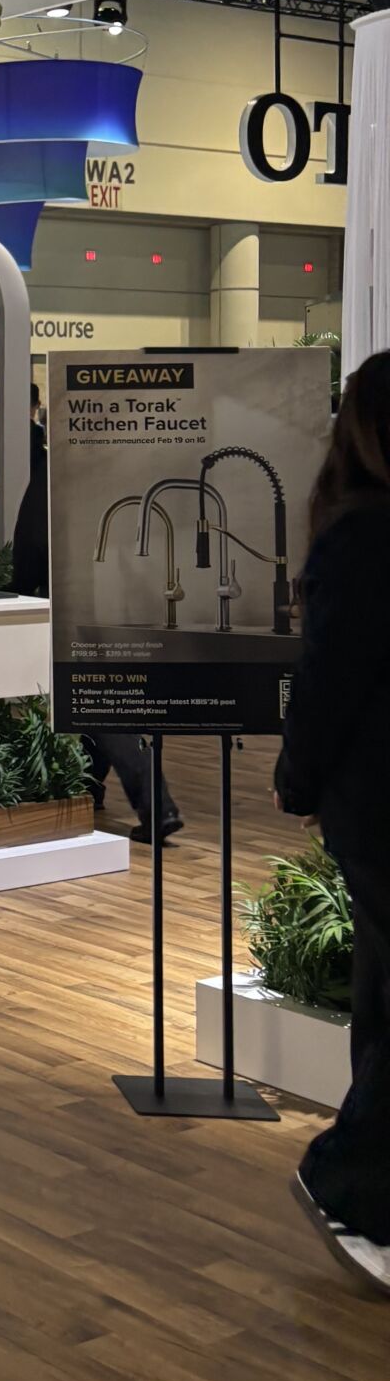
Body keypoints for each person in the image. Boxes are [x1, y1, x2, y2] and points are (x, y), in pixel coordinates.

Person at [276, 350, 390, 1296]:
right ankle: (350, 1179)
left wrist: (301, 779)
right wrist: (300, 777)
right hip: (380, 803)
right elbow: (330, 682)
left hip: (373, 801)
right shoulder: (364, 540)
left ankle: (361, 1186)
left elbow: (326, 682)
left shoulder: (356, 534)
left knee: (382, 994)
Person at [10, 439, 182, 843]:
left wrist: (20, 588)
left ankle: (157, 806)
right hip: (133, 602)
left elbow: (33, 534)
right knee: (104, 697)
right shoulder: (132, 457)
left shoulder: (59, 462)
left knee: (100, 702)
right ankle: (91, 786)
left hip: (80, 600)